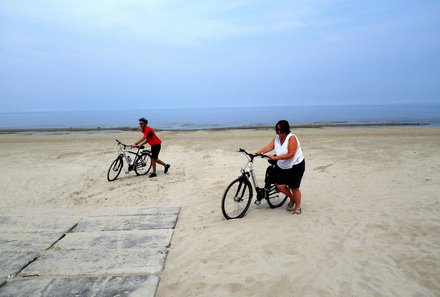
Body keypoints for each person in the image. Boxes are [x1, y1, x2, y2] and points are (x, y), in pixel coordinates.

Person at [255, 120, 305, 215]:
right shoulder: (277, 138)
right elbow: (267, 148)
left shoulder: (292, 138)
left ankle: (298, 207)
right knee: (280, 186)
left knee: (294, 187)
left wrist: (275, 157)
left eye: (280, 130)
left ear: (286, 130)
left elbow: (290, 154)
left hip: (295, 165)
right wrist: (256, 153)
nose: (278, 132)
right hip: (282, 165)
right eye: (277, 130)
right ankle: (292, 198)